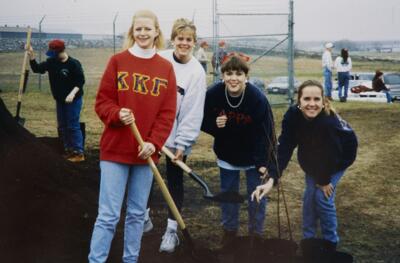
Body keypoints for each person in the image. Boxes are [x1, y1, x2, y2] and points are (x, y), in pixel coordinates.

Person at [88, 10, 177, 263]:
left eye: (148, 29)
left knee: (137, 214)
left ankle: (130, 259)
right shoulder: (117, 61)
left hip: (145, 153)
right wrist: (116, 113)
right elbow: (102, 102)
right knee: (108, 215)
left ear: (156, 32)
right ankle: (96, 260)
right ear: (132, 32)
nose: (143, 33)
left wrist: (154, 143)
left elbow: (167, 113)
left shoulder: (165, 68)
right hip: (115, 150)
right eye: (138, 29)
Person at [252, 80, 358, 256]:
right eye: (306, 98)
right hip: (311, 157)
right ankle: (308, 240)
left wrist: (324, 181)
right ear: (298, 101)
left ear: (323, 101)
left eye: (317, 99)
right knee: (310, 196)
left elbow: (331, 155)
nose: (312, 104)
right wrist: (272, 176)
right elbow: (285, 146)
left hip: (339, 157)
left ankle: (330, 242)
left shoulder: (328, 122)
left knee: (323, 198)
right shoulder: (293, 116)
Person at [201, 54, 278, 248]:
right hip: (227, 154)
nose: (233, 78)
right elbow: (200, 119)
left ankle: (256, 233)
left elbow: (266, 132)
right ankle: (229, 231)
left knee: (256, 194)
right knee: (228, 194)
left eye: (238, 73)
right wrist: (214, 124)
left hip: (253, 156)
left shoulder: (257, 98)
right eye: (228, 73)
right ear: (222, 76)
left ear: (246, 76)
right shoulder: (214, 94)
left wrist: (262, 162)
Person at [145, 18, 206, 253]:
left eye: (188, 40)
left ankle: (171, 231)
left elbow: (192, 111)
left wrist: (183, 143)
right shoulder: (158, 58)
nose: (184, 43)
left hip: (175, 137)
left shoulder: (196, 72)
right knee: (144, 175)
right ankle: (143, 219)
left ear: (194, 42)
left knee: (174, 181)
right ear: (173, 39)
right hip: (150, 132)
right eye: (180, 38)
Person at [27, 39, 85, 162]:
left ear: (61, 51)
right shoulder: (51, 62)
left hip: (73, 100)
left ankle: (79, 153)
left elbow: (80, 82)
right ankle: (68, 150)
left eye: (54, 53)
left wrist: (72, 94)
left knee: (72, 125)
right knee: (62, 126)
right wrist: (31, 55)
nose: (52, 56)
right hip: (60, 100)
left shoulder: (74, 64)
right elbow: (37, 69)